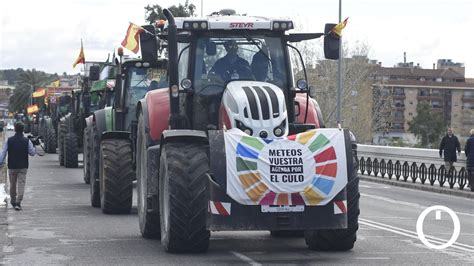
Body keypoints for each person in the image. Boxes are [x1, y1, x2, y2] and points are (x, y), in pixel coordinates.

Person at [0, 122, 36, 210]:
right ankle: (18, 201)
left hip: (12, 166)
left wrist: (0, 162)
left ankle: (13, 201)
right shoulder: (27, 141)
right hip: (23, 166)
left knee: (12, 184)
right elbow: (32, 153)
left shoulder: (9, 140)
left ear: (15, 129)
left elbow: (3, 152)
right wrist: (34, 145)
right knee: (21, 184)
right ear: (23, 130)